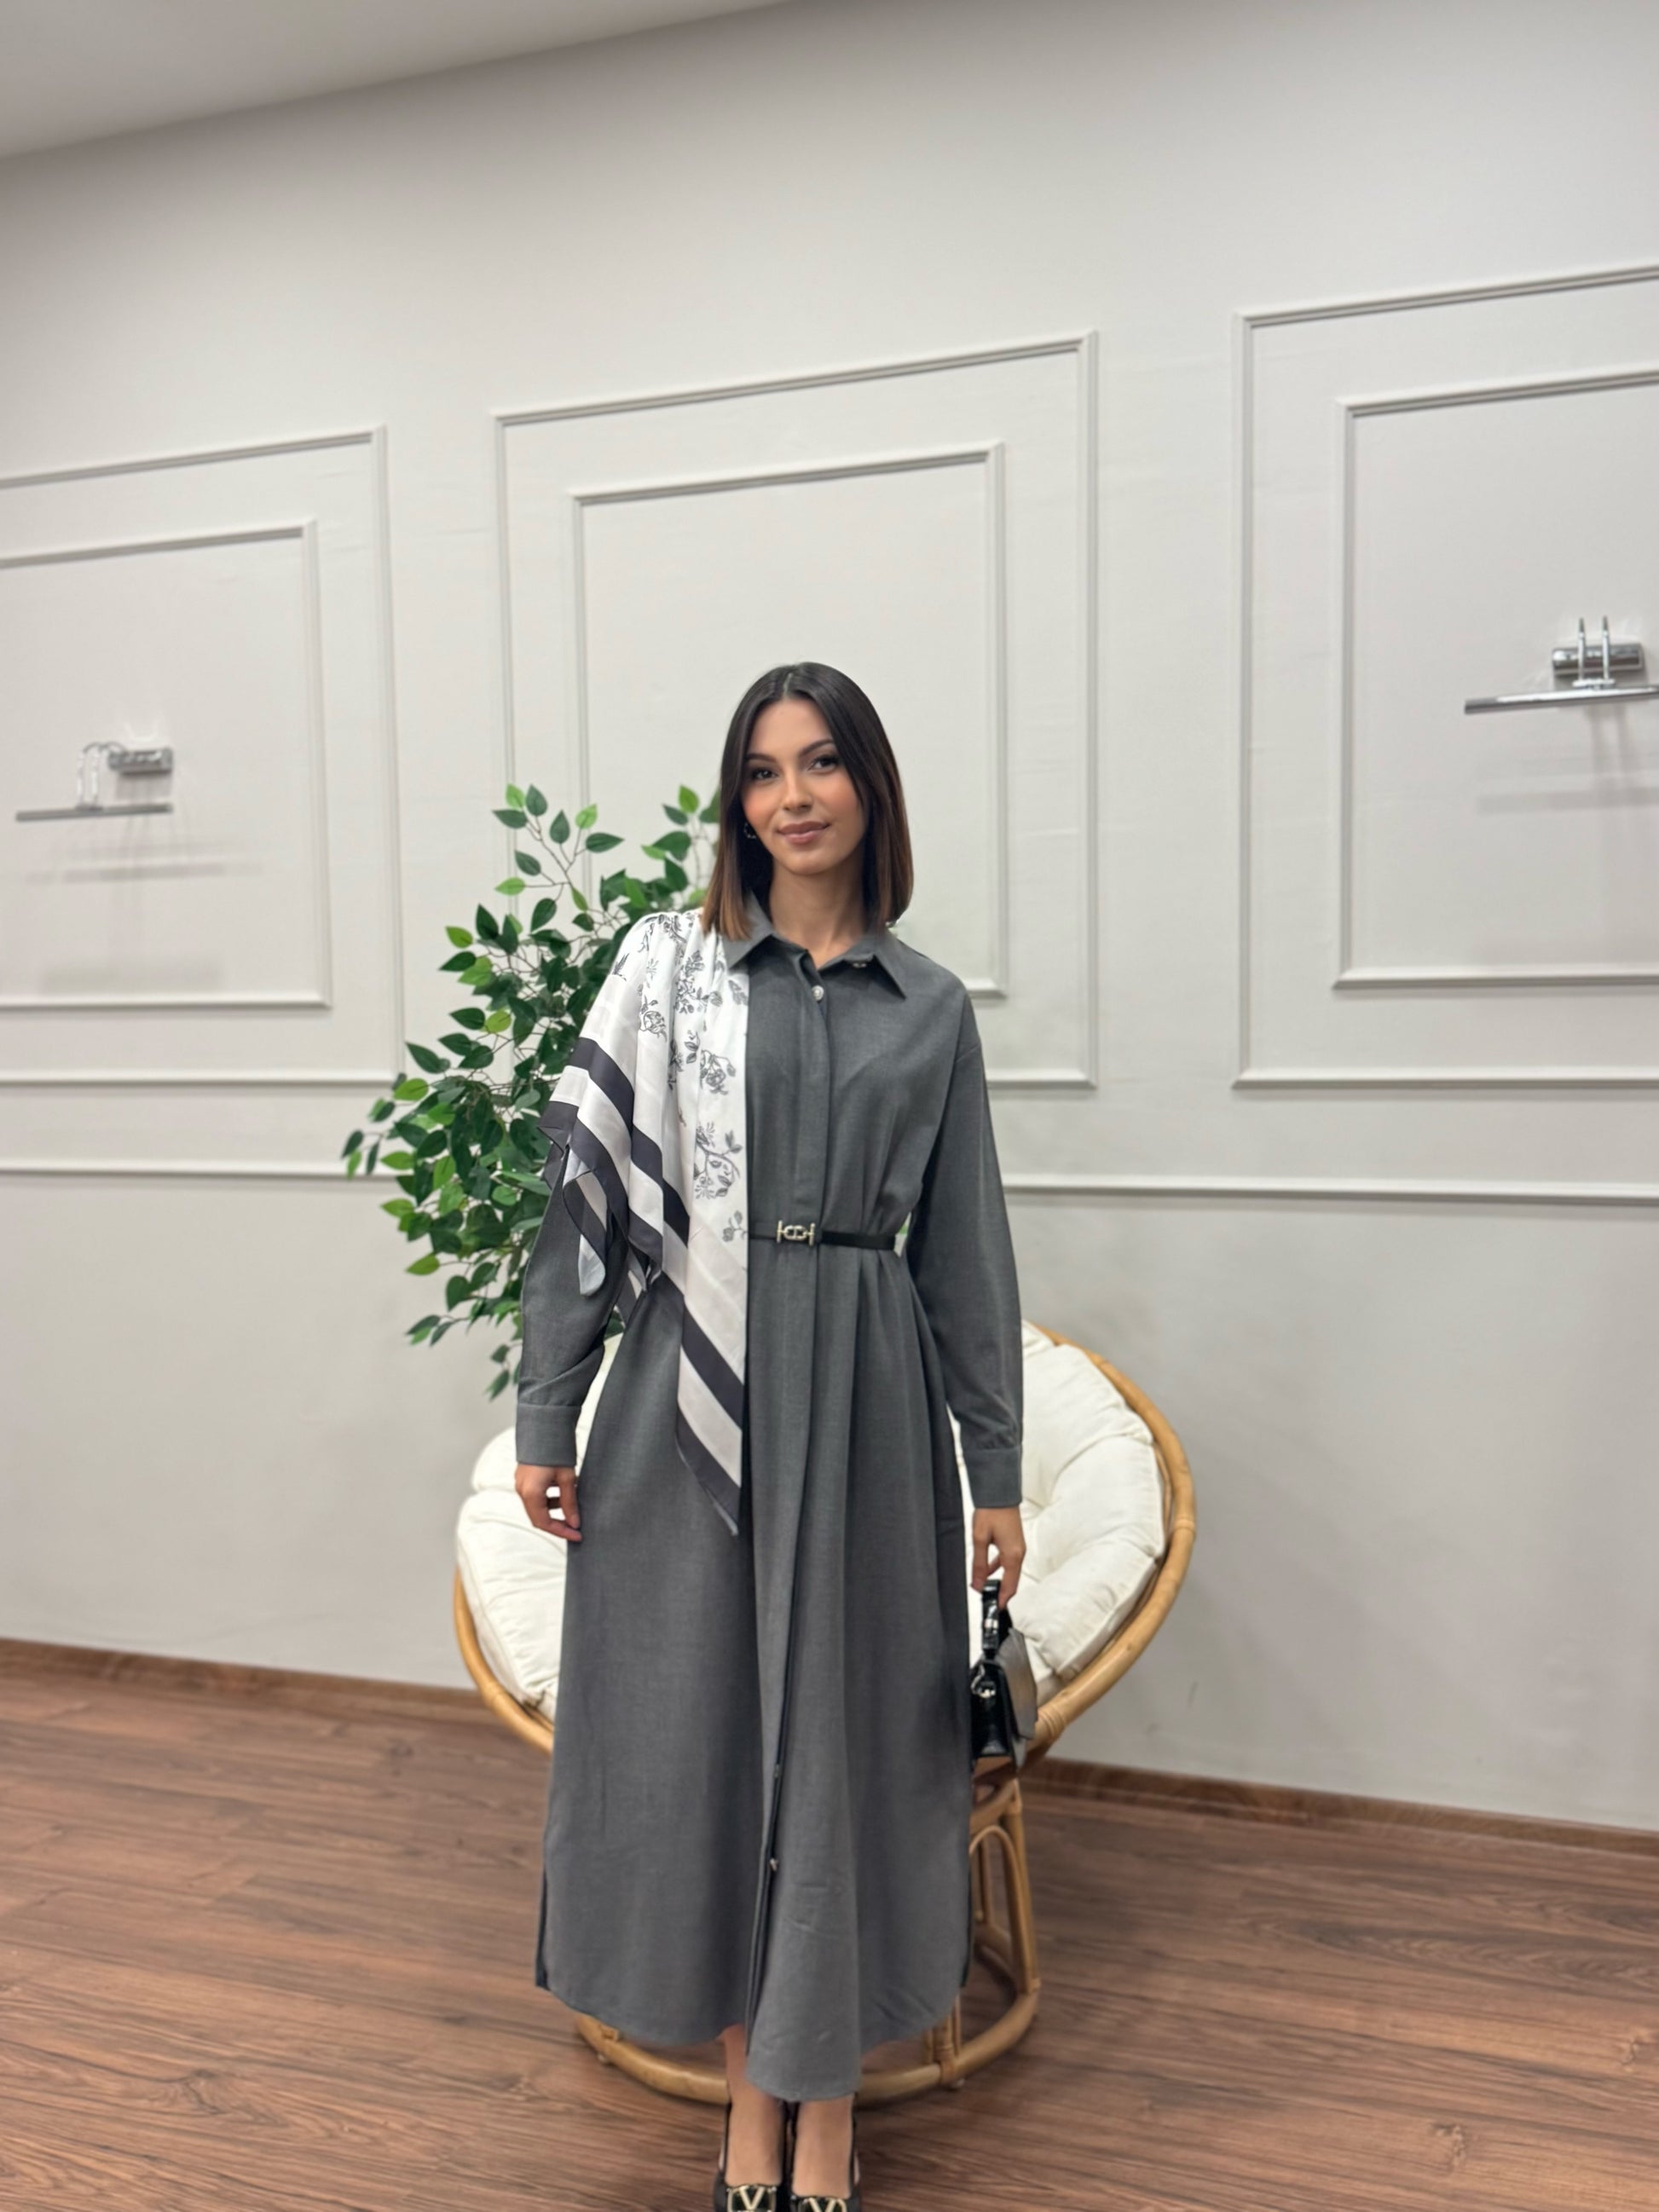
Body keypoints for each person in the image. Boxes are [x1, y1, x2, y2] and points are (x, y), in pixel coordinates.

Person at [512, 661, 1026, 2212]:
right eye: (760, 770)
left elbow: (965, 1254)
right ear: (736, 801)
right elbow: (583, 1215)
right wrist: (548, 1408)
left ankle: (829, 2109)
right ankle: (751, 2100)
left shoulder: (928, 1009)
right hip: (685, 1396)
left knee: (849, 1755)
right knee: (700, 1746)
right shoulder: (674, 976)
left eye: (819, 763)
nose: (790, 797)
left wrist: (993, 1469)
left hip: (865, 1405)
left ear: (869, 785)